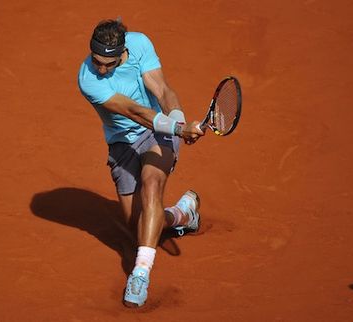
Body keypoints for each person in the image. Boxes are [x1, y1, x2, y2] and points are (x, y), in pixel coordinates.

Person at [77, 18, 205, 307]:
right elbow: (133, 110)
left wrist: (178, 119)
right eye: (96, 61)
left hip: (157, 133)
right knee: (142, 228)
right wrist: (176, 129)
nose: (100, 69)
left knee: (151, 183)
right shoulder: (88, 78)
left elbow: (161, 90)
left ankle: (140, 275)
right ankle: (182, 215)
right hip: (123, 142)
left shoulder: (140, 44)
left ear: (122, 52)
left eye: (107, 64)